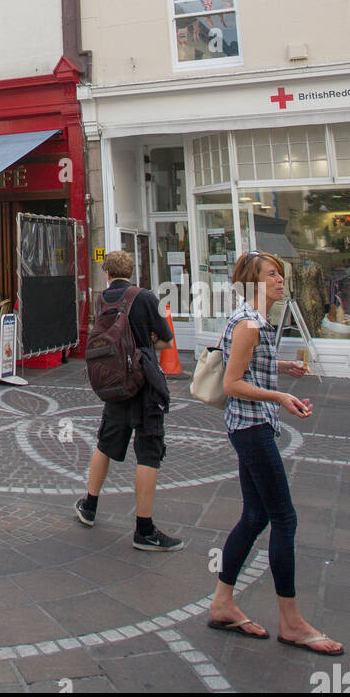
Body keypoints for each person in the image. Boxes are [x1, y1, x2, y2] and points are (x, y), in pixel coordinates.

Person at [207, 252, 343, 652]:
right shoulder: (249, 323)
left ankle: (222, 603)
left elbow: (246, 367)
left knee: (255, 516)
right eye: (272, 274)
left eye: (281, 273)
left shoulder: (254, 319)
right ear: (253, 282)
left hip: (250, 425)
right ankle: (292, 622)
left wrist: (282, 368)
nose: (281, 279)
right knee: (284, 519)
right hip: (251, 428)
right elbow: (232, 383)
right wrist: (282, 396)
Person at [75, 251, 183, 551]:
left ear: (106, 272)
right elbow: (166, 340)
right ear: (131, 270)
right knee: (149, 451)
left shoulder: (102, 300)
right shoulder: (146, 297)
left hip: (114, 382)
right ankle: (144, 529)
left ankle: (89, 505)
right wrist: (146, 341)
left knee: (106, 443)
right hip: (144, 382)